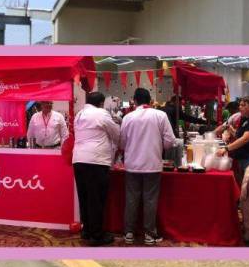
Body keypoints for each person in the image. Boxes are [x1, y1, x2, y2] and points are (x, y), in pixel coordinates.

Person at [120, 88, 176, 245]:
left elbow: (122, 142)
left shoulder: (128, 117)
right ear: (150, 100)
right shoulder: (160, 115)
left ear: (134, 100)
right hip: (152, 164)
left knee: (131, 198)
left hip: (132, 164)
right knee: (150, 200)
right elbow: (170, 141)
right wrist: (158, 147)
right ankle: (150, 235)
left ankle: (129, 233)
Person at [73, 91, 121, 246]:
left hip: (79, 159)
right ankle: (97, 235)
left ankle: (87, 230)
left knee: (85, 197)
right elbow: (116, 134)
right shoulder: (101, 113)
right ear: (101, 103)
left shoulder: (79, 114)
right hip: (96, 161)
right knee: (96, 199)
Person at [217, 96, 249, 183]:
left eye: (243, 105)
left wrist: (226, 148)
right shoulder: (245, 118)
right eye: (240, 105)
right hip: (243, 159)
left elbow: (245, 139)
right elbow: (240, 136)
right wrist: (232, 131)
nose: (240, 107)